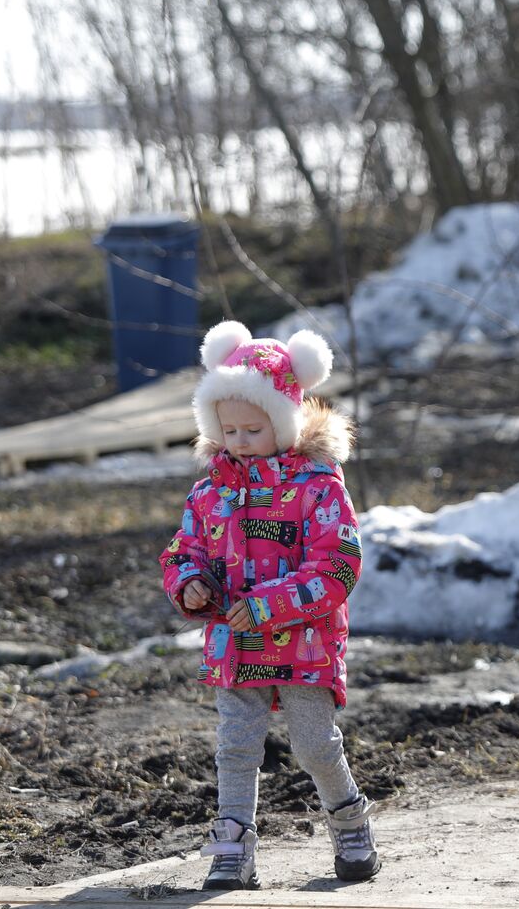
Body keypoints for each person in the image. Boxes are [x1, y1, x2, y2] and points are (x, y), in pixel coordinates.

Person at [160, 320, 379, 890]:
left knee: (315, 744)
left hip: (305, 642)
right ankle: (233, 845)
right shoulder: (210, 491)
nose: (238, 440)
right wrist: (190, 583)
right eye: (227, 429)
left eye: (253, 429)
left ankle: (349, 821)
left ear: (283, 420)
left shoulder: (319, 486)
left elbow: (337, 566)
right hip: (235, 642)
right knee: (235, 746)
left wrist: (266, 606)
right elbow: (183, 550)